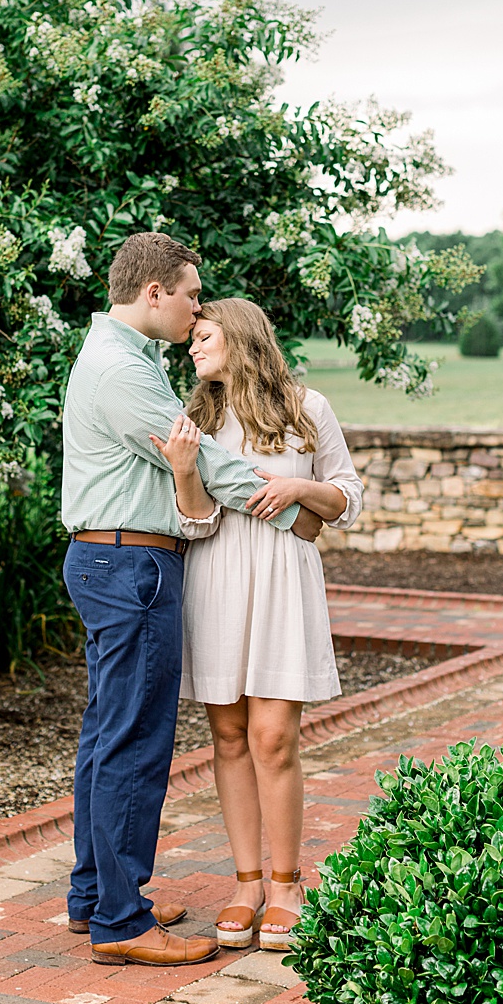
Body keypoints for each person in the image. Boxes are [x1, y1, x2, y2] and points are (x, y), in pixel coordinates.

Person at [59, 233, 324, 967]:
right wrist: (292, 512)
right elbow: (207, 462)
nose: (195, 308)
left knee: (108, 735)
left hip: (115, 560)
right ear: (155, 293)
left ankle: (95, 897)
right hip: (130, 565)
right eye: (190, 294)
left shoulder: (126, 357)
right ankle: (120, 921)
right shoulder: (122, 370)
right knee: (133, 744)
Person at [152, 297, 362, 953]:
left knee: (274, 738)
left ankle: (286, 885)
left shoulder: (306, 409)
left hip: (282, 585)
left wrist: (299, 490)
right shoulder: (198, 420)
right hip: (216, 580)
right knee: (229, 736)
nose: (192, 347)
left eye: (203, 336)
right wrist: (184, 472)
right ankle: (246, 885)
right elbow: (194, 522)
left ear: (241, 337)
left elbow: (347, 498)